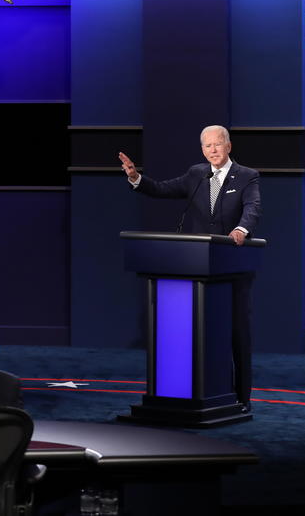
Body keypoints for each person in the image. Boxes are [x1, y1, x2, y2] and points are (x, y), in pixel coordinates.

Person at [117, 125, 261, 409]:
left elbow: (253, 207)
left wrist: (241, 229)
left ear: (228, 146)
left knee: (237, 333)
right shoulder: (197, 174)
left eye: (217, 144)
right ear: (202, 150)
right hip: (198, 267)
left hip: (233, 267)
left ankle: (242, 397)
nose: (213, 150)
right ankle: (199, 392)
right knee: (199, 333)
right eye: (207, 146)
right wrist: (135, 177)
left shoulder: (247, 175)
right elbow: (161, 189)